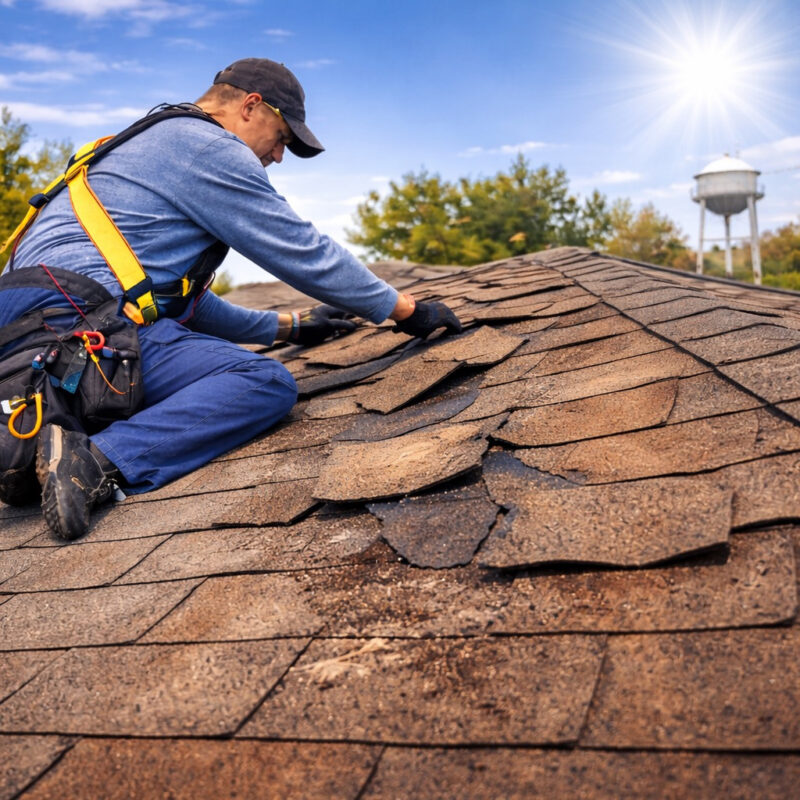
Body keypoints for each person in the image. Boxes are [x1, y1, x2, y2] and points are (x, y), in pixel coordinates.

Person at [0, 57, 461, 540]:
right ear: (251, 106)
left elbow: (183, 305)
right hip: (82, 324)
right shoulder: (206, 146)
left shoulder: (129, 152)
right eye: (282, 138)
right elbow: (298, 248)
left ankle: (41, 445)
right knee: (261, 382)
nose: (279, 156)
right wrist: (405, 310)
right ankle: (94, 462)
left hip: (25, 351)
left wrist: (293, 326)